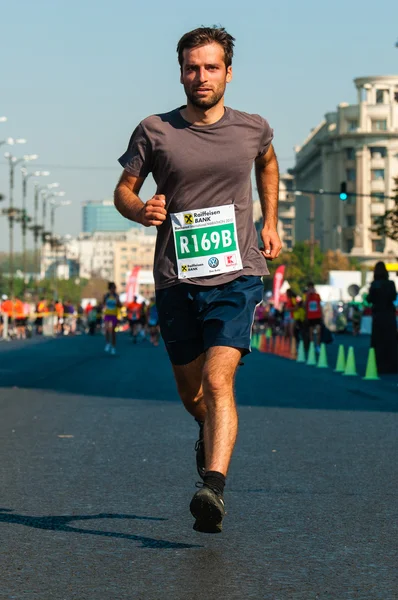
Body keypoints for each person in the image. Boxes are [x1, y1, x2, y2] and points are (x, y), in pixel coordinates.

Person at [114, 26, 281, 534]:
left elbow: (268, 164)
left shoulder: (252, 128)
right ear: (181, 72)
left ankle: (213, 488)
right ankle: (207, 432)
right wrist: (142, 209)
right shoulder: (155, 130)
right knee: (194, 396)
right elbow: (123, 189)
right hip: (176, 279)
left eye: (211, 67)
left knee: (217, 379)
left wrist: (271, 219)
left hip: (237, 276)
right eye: (192, 67)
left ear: (228, 73)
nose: (201, 76)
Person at [367, 261, 397, 374]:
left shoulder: (374, 284)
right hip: (389, 315)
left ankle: (378, 365)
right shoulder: (390, 283)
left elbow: (369, 299)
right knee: (391, 341)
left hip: (378, 315)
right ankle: (392, 366)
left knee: (378, 341)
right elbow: (394, 296)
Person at [103, 282, 122, 355]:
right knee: (107, 329)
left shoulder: (116, 296)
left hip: (114, 315)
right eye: (113, 288)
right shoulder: (106, 295)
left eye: (115, 288)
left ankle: (113, 347)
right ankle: (108, 343)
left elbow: (120, 306)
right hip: (107, 314)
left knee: (113, 332)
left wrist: (117, 301)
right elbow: (103, 304)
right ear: (110, 288)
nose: (114, 289)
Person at [305, 282, 322, 351]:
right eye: (309, 288)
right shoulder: (307, 296)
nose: (310, 289)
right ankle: (312, 346)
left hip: (317, 316)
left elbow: (319, 305)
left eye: (311, 288)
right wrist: (308, 295)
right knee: (311, 332)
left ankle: (317, 345)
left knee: (318, 331)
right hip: (310, 317)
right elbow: (305, 305)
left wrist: (322, 315)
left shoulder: (317, 295)